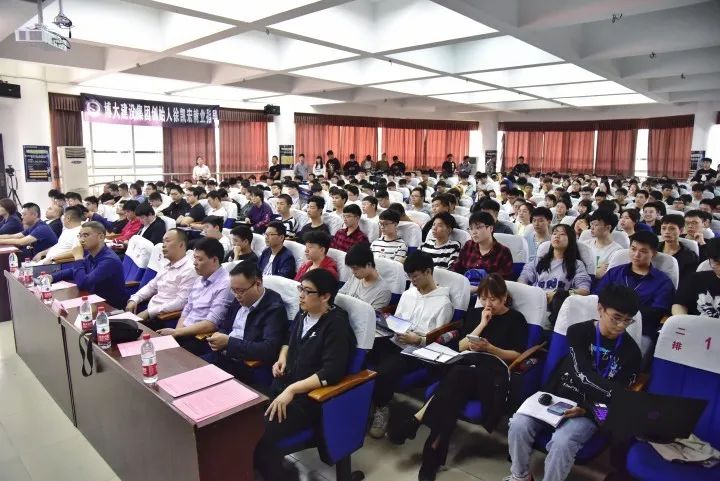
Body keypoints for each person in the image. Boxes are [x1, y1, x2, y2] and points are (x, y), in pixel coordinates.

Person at [389, 274, 528, 480]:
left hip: (492, 373)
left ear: (504, 297)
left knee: (457, 376)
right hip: (466, 365)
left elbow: (517, 355)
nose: (488, 304)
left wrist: (490, 348)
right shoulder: (476, 314)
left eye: (493, 299)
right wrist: (482, 324)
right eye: (483, 298)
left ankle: (418, 419)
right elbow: (461, 346)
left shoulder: (516, 319)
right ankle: (431, 456)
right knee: (452, 395)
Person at [506, 284, 642, 481]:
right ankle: (520, 476)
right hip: (558, 397)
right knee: (518, 424)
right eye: (617, 318)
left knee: (562, 442)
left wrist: (588, 409)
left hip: (596, 409)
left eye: (628, 321)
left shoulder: (632, 353)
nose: (621, 326)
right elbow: (580, 374)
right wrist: (613, 393)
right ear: (600, 309)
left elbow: (617, 399)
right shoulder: (578, 332)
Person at [254, 268, 355, 481]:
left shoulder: (336, 325)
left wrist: (292, 389)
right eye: (300, 289)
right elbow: (288, 338)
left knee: (260, 441)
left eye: (307, 291)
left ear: (325, 296)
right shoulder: (304, 313)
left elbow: (332, 372)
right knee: (245, 428)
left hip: (309, 401)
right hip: (283, 388)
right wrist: (282, 357)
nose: (301, 295)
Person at [369, 251, 454, 439]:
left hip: (416, 351)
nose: (412, 281)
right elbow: (397, 319)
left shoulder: (443, 304)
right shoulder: (409, 294)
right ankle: (365, 400)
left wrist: (418, 340)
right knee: (364, 349)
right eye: (409, 277)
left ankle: (382, 408)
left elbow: (437, 339)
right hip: (395, 340)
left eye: (415, 276)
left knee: (385, 371)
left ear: (428, 272)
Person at [207, 261, 288, 382]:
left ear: (258, 284)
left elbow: (268, 349)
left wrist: (229, 342)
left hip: (244, 367)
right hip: (221, 356)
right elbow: (225, 326)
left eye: (240, 290)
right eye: (233, 290)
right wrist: (218, 336)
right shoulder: (239, 298)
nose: (236, 295)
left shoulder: (274, 308)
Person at [595, 231, 674, 340]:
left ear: (654, 253)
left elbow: (657, 312)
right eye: (633, 249)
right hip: (604, 323)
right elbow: (597, 295)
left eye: (643, 251)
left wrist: (620, 312)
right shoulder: (615, 272)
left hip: (640, 331)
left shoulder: (663, 282)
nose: (636, 255)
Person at [157, 238, 229, 355]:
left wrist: (177, 333)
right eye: (194, 258)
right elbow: (187, 309)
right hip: (184, 332)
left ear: (214, 260)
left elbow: (212, 323)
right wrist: (176, 334)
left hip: (200, 338)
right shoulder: (199, 279)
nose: (194, 263)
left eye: (199, 259)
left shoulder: (226, 284)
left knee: (167, 357)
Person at [519, 224, 591, 325]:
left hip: (557, 308)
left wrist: (561, 294)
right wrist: (531, 294)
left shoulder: (577, 264)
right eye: (554, 233)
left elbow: (584, 291)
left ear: (570, 240)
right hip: (534, 304)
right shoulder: (539, 261)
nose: (557, 236)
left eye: (562, 234)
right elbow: (522, 279)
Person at [126, 228, 198, 323]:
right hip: (150, 311)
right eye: (163, 241)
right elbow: (151, 286)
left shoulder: (189, 270)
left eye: (167, 241)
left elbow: (181, 302)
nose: (163, 245)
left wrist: (149, 312)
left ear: (181, 244)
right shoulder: (167, 265)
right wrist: (135, 299)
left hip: (164, 318)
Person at [52, 221, 128, 308]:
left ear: (101, 237)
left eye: (85, 235)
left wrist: (78, 257)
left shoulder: (109, 261)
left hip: (110, 308)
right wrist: (51, 277)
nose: (81, 240)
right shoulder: (92, 255)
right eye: (80, 236)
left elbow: (83, 284)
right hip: (93, 300)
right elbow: (73, 271)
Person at [453, 211, 513, 280]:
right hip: (466, 285)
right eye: (471, 228)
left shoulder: (503, 252)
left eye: (478, 227)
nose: (474, 232)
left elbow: (503, 281)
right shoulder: (468, 246)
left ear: (490, 228)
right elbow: (456, 269)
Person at [673, 238, 720, 317]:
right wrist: (682, 320)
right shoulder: (695, 279)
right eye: (717, 263)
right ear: (709, 260)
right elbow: (679, 304)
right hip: (695, 323)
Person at [339, 243, 391, 310]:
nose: (353, 272)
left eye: (356, 268)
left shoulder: (383, 292)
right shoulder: (354, 277)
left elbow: (372, 315)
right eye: (351, 268)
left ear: (369, 264)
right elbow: (340, 296)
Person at [658, 214, 699, 291]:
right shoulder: (653, 249)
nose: (667, 232)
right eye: (663, 228)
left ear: (681, 230)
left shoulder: (690, 256)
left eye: (672, 228)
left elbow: (687, 283)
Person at [583, 209, 623, 279]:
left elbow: (609, 277)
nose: (591, 228)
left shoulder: (617, 251)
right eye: (591, 224)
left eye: (596, 225)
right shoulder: (585, 245)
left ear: (608, 227)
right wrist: (595, 272)